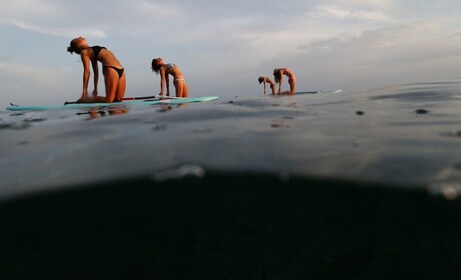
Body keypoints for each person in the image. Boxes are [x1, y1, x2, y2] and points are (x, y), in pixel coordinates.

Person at [67, 37, 126, 103]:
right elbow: (87, 71)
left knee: (118, 100)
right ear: (78, 44)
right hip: (111, 69)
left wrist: (95, 88)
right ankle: (84, 100)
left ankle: (88, 100)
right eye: (78, 38)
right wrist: (84, 91)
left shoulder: (91, 51)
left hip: (121, 70)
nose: (80, 36)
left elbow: (96, 72)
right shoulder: (84, 52)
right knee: (109, 100)